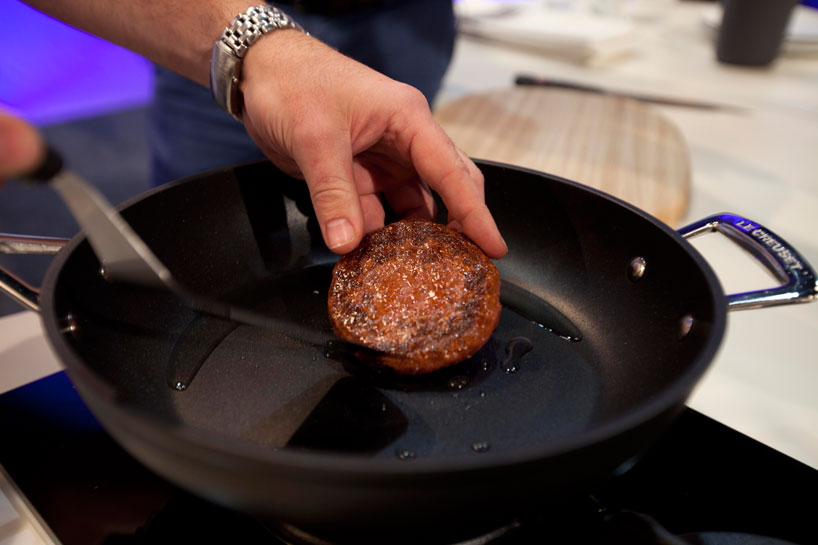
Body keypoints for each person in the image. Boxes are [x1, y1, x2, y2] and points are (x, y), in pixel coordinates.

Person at [14, 0, 507, 258]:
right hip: (207, 17)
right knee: (202, 253)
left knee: (395, 193)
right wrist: (251, 46)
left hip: (406, 18)